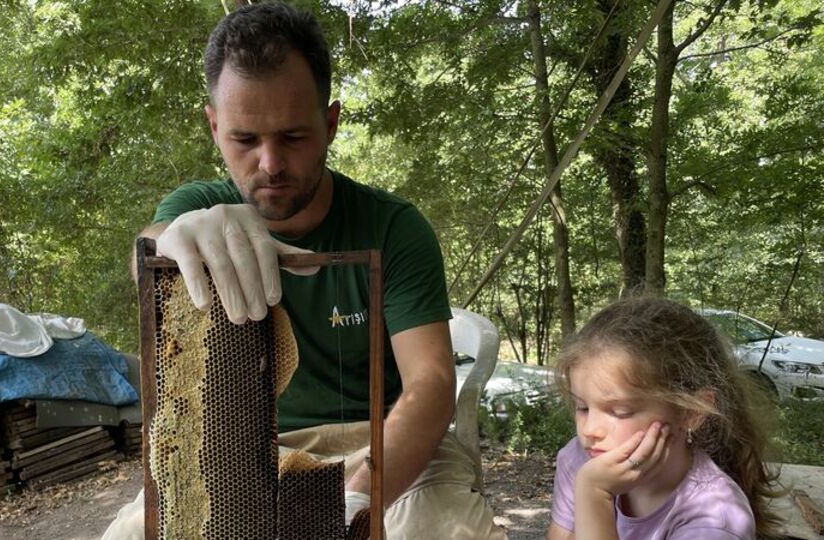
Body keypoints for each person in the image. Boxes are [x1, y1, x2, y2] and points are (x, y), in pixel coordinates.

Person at [102, 3, 505, 539]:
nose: (270, 164)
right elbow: (149, 252)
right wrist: (164, 244)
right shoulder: (196, 205)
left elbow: (430, 382)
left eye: (293, 137)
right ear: (215, 126)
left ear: (330, 123)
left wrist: (360, 496)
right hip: (240, 452)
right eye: (245, 140)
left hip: (385, 443)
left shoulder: (393, 227)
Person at [546, 297, 781, 540]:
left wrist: (594, 495)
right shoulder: (580, 460)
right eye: (582, 407)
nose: (589, 430)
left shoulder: (715, 519)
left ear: (690, 412)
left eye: (620, 411)